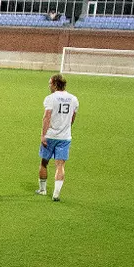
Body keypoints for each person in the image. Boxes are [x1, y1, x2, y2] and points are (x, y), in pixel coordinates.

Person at [37, 74, 79, 202]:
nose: (49, 86)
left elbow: (46, 117)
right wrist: (66, 128)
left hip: (50, 136)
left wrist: (43, 135)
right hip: (65, 137)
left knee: (44, 162)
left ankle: (43, 190)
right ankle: (56, 194)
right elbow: (72, 117)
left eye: (50, 83)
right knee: (60, 165)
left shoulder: (50, 99)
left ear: (55, 84)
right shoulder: (73, 99)